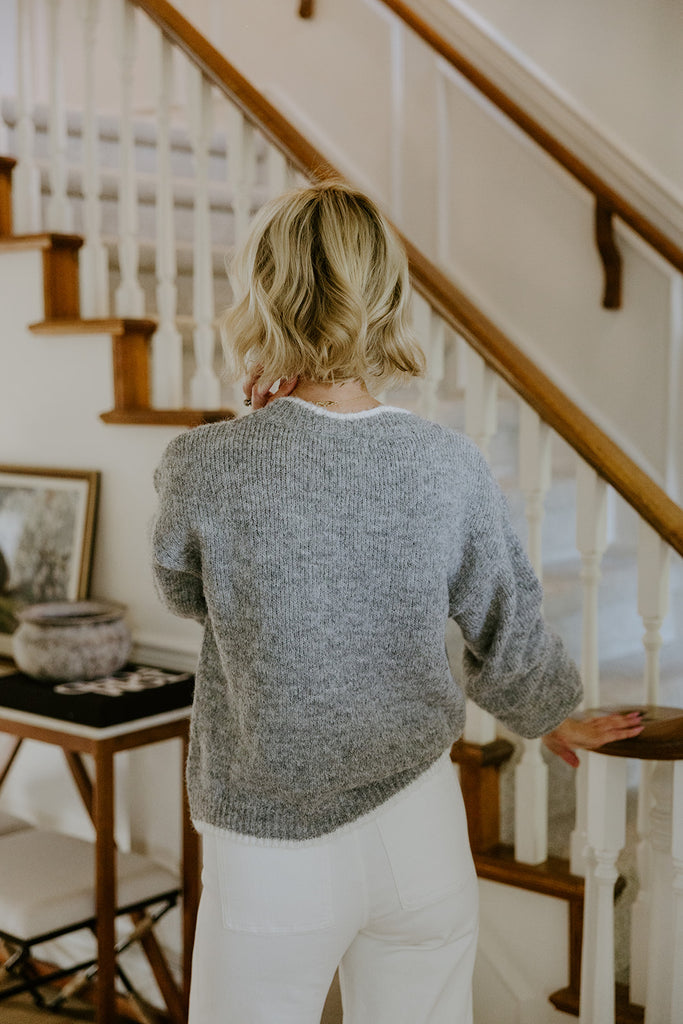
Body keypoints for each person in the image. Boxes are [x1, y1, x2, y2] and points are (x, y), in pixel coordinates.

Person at [151, 182, 643, 1024]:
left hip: (272, 841)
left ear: (263, 292)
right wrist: (552, 716)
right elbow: (504, 621)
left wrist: (248, 429)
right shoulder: (447, 463)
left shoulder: (205, 462)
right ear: (384, 296)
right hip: (418, 828)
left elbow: (186, 591)